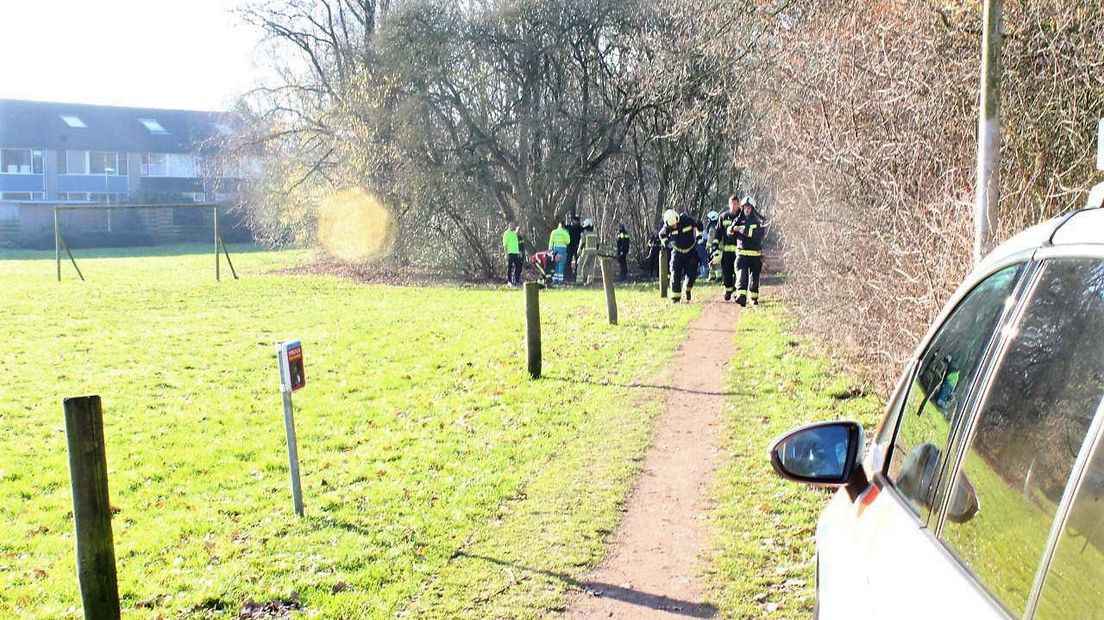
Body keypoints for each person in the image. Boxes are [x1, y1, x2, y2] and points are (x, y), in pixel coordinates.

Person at [658, 208, 702, 303]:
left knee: (692, 274)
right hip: (677, 253)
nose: (674, 226)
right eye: (672, 225)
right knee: (675, 274)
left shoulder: (687, 220)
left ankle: (687, 288)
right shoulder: (667, 227)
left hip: (690, 252)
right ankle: (675, 298)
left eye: (675, 224)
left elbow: (699, 225)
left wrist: (699, 236)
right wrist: (666, 243)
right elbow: (661, 234)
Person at [733, 197, 766, 306]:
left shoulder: (758, 220)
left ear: (752, 208)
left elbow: (759, 234)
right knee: (741, 276)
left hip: (755, 254)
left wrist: (743, 230)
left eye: (748, 207)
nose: (746, 210)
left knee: (754, 278)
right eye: (745, 207)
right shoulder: (738, 219)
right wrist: (731, 229)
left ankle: (754, 298)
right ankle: (741, 297)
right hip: (741, 253)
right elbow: (730, 230)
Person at [712, 194, 743, 300]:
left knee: (737, 271)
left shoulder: (743, 216)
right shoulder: (723, 217)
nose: (733, 206)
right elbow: (718, 233)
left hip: (739, 251)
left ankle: (736, 291)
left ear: (738, 204)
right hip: (726, 252)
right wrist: (715, 245)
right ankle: (728, 290)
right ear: (729, 204)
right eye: (731, 204)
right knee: (726, 271)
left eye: (735, 204)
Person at [576, 218, 600, 285]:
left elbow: (582, 243)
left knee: (581, 266)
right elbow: (598, 244)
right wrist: (596, 251)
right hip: (594, 253)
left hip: (586, 252)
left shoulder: (584, 233)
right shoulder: (595, 233)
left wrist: (579, 250)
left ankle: (579, 281)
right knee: (591, 267)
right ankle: (590, 281)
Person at [503, 221, 523, 286]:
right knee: (509, 267)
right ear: (508, 225)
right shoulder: (506, 233)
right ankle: (509, 281)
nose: (512, 226)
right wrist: (506, 253)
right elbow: (505, 244)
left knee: (518, 267)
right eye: (511, 224)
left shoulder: (515, 233)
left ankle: (516, 280)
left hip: (516, 252)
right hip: (510, 253)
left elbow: (517, 243)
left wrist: (519, 252)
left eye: (513, 224)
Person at [565, 214, 584, 283]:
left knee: (577, 261)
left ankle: (575, 275)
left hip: (576, 247)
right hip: (571, 246)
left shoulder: (578, 228)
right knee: (569, 261)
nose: (574, 222)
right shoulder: (571, 228)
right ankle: (568, 274)